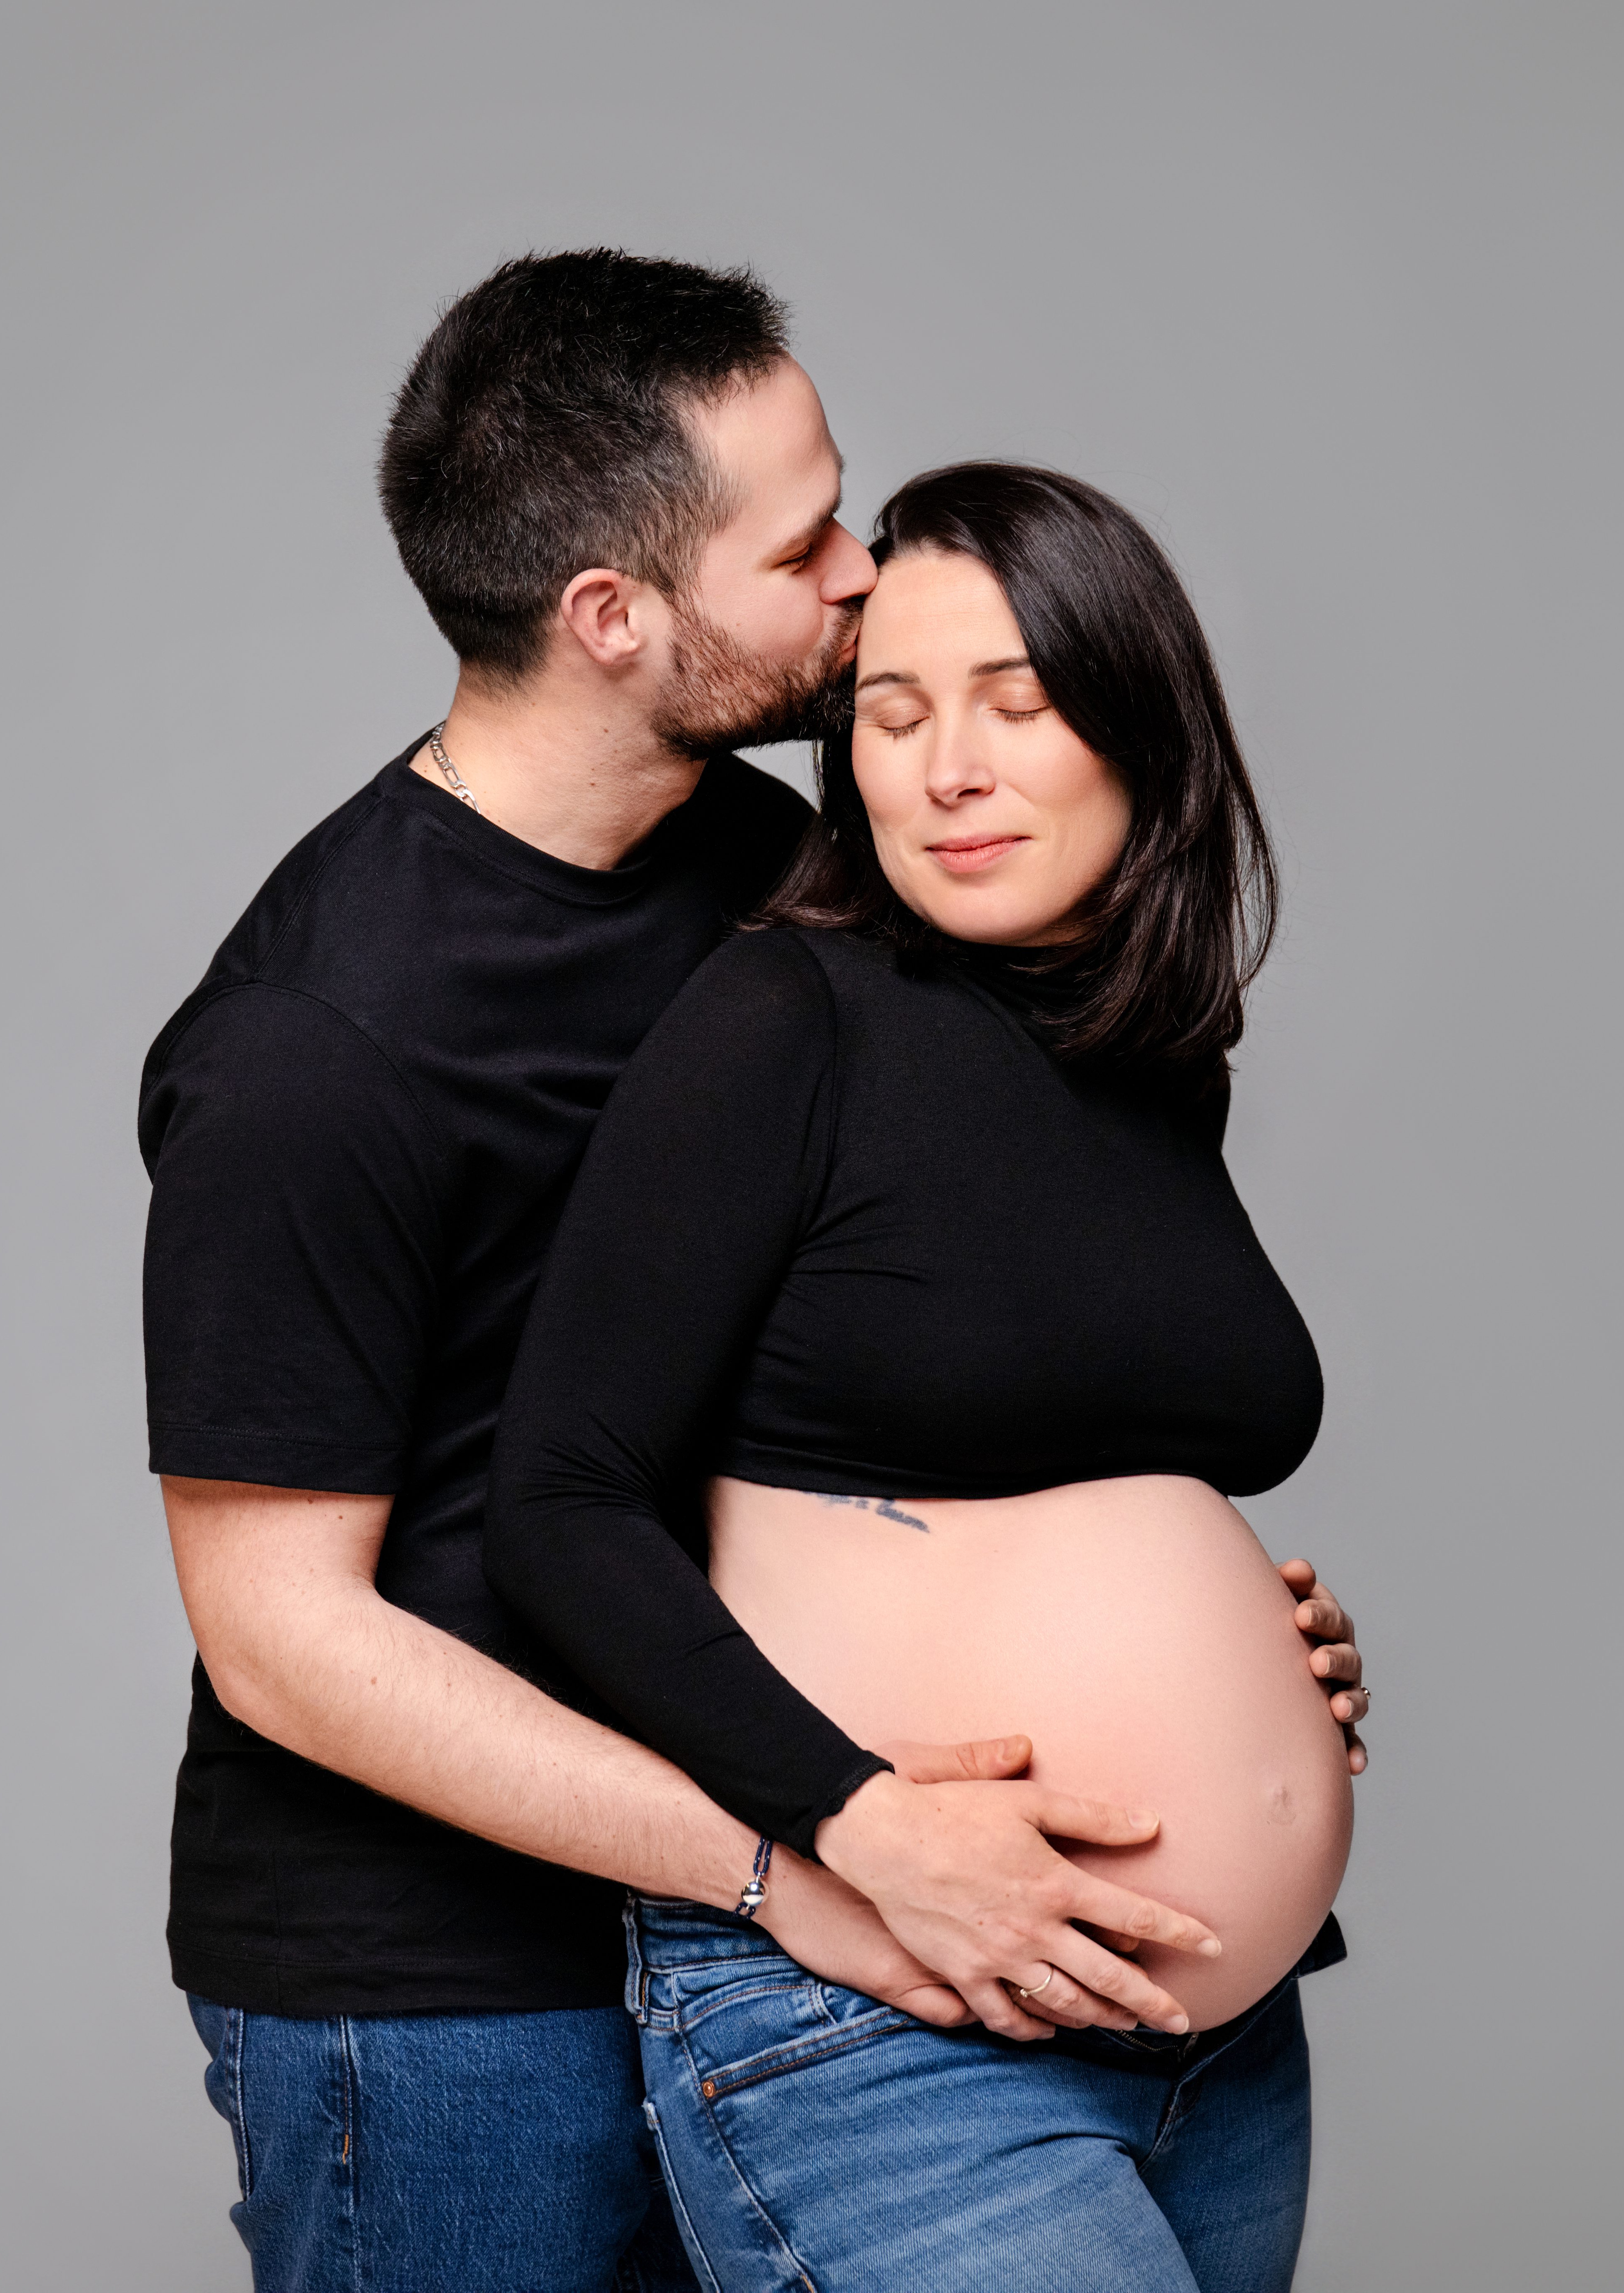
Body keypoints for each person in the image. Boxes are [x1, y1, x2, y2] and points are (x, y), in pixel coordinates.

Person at [137, 252, 1370, 2291]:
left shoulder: (779, 874)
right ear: (614, 619)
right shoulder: (317, 1042)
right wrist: (792, 1849)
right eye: (806, 545)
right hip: (456, 1980)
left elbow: (896, 1361)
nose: (868, 571)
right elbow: (285, 1637)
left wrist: (1185, 1616)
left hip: (849, 1892)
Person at [487, 461, 1353, 2293]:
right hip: (893, 2008)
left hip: (1215, 2054)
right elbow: (559, 1505)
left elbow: (1057, 1459)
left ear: (1144, 731)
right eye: (892, 709)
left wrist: (1258, 1649)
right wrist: (865, 1819)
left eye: (1017, 703)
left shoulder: (1150, 1054)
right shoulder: (780, 1020)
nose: (945, 766)